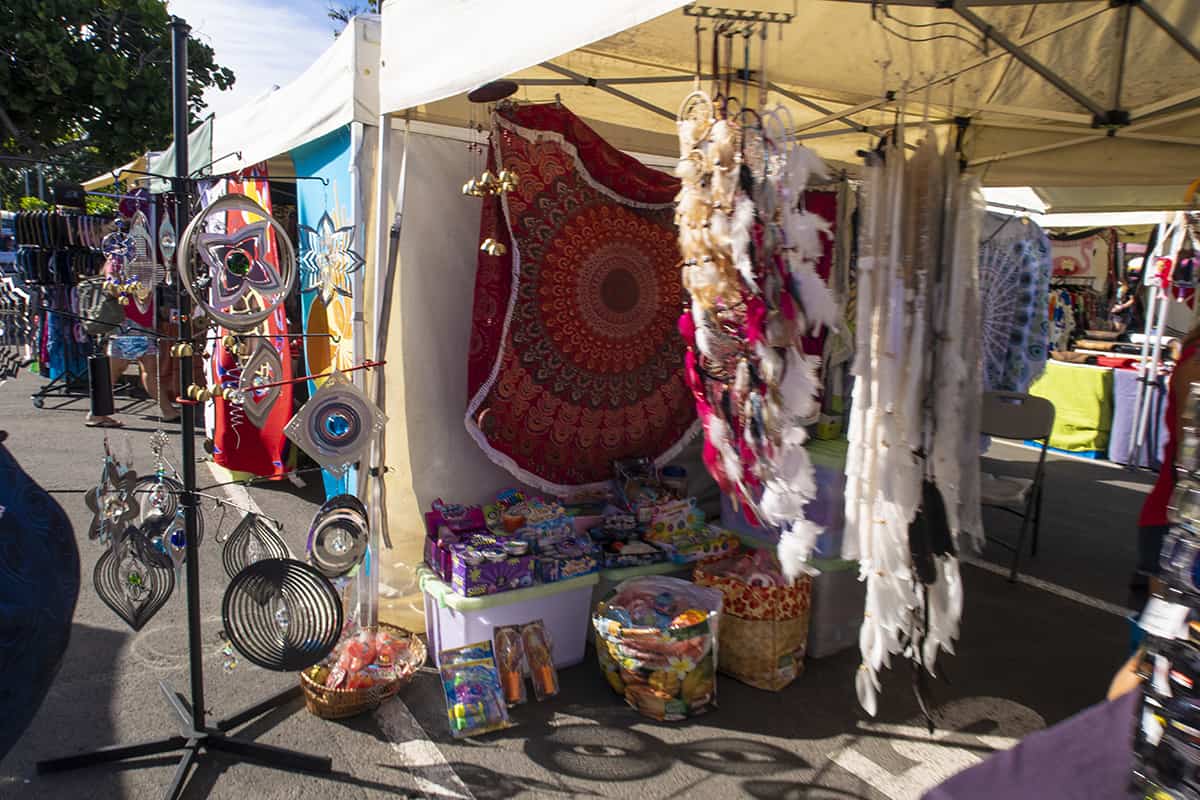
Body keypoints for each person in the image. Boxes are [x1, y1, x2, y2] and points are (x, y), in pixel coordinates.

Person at [1131, 322, 1200, 610]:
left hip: (1179, 519)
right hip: (1179, 524)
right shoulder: (1196, 361)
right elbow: (1190, 450)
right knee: (1170, 626)